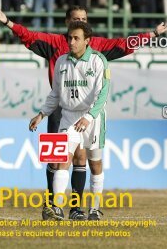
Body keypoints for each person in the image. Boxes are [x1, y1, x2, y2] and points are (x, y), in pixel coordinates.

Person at [0, 5, 167, 220]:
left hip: (88, 113)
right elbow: (28, 36)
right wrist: (7, 23)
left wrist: (151, 34)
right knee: (56, 159)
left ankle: (76, 208)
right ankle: (52, 205)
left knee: (81, 157)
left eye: (84, 19)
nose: (80, 22)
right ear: (67, 23)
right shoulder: (55, 44)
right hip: (60, 109)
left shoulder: (97, 48)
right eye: (76, 19)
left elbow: (123, 45)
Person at [29, 21, 109, 221]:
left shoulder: (98, 61)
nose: (71, 42)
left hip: (93, 116)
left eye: (76, 38)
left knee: (95, 163)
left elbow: (103, 94)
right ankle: (56, 207)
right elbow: (56, 94)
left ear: (87, 41)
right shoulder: (62, 62)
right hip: (69, 117)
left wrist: (89, 117)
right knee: (62, 159)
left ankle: (94, 209)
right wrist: (42, 114)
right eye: (69, 38)